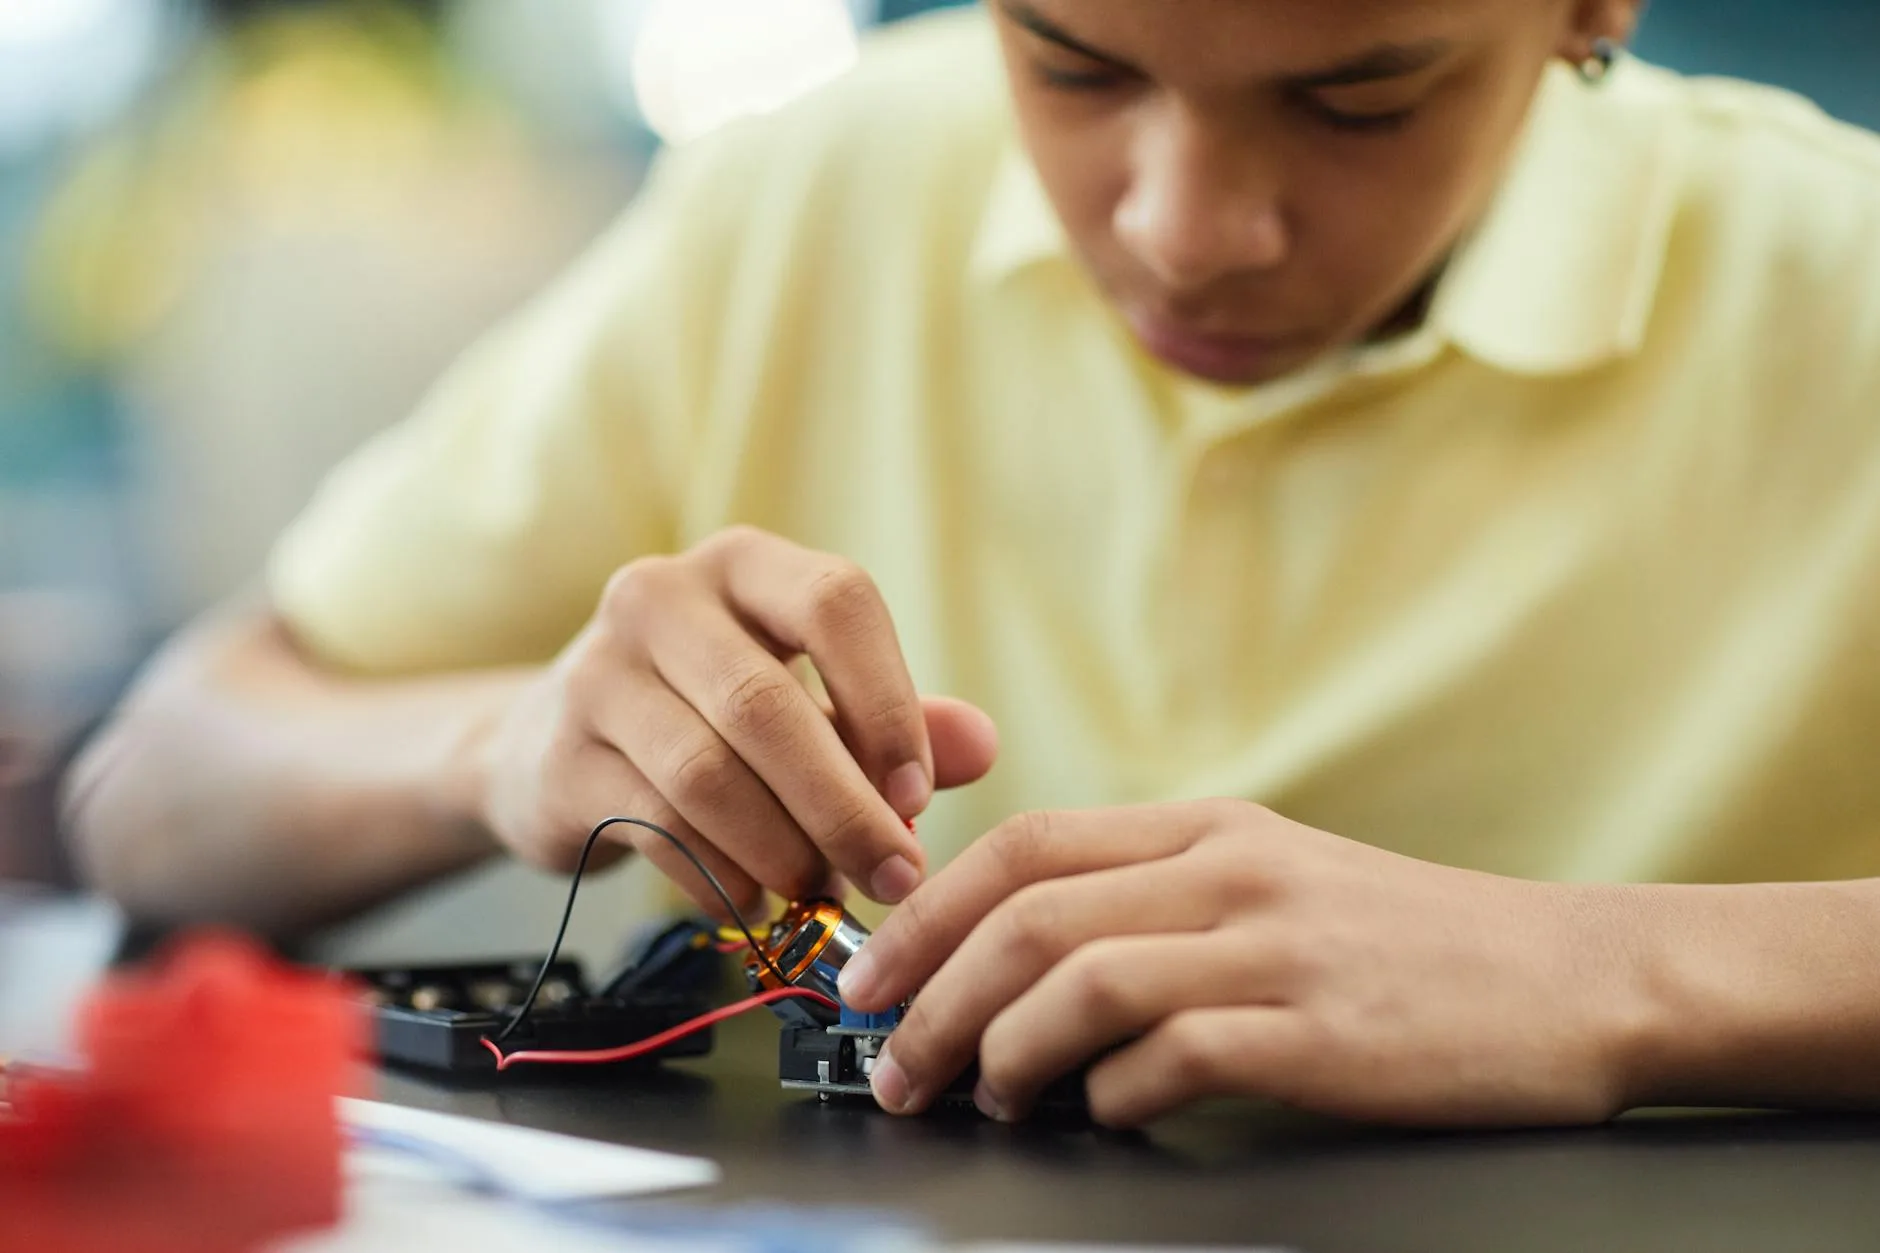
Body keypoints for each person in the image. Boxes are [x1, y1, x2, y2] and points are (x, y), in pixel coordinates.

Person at [63, 0, 1880, 1130]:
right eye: (1071, 61)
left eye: (1361, 100)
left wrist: (1617, 975)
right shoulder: (811, 194)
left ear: (1594, 7)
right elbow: (149, 793)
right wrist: (495, 748)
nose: (1181, 232)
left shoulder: (1840, 287)